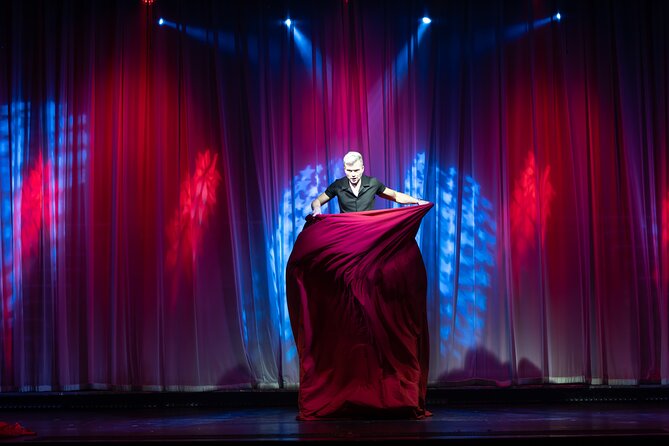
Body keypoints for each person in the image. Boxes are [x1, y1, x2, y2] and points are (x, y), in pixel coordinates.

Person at [310, 151, 428, 215]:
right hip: (346, 231)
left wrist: (417, 201)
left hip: (368, 231)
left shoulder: (373, 183)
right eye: (349, 171)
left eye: (356, 170)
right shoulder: (338, 185)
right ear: (345, 170)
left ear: (362, 169)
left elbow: (395, 196)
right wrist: (316, 208)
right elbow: (317, 201)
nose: (353, 174)